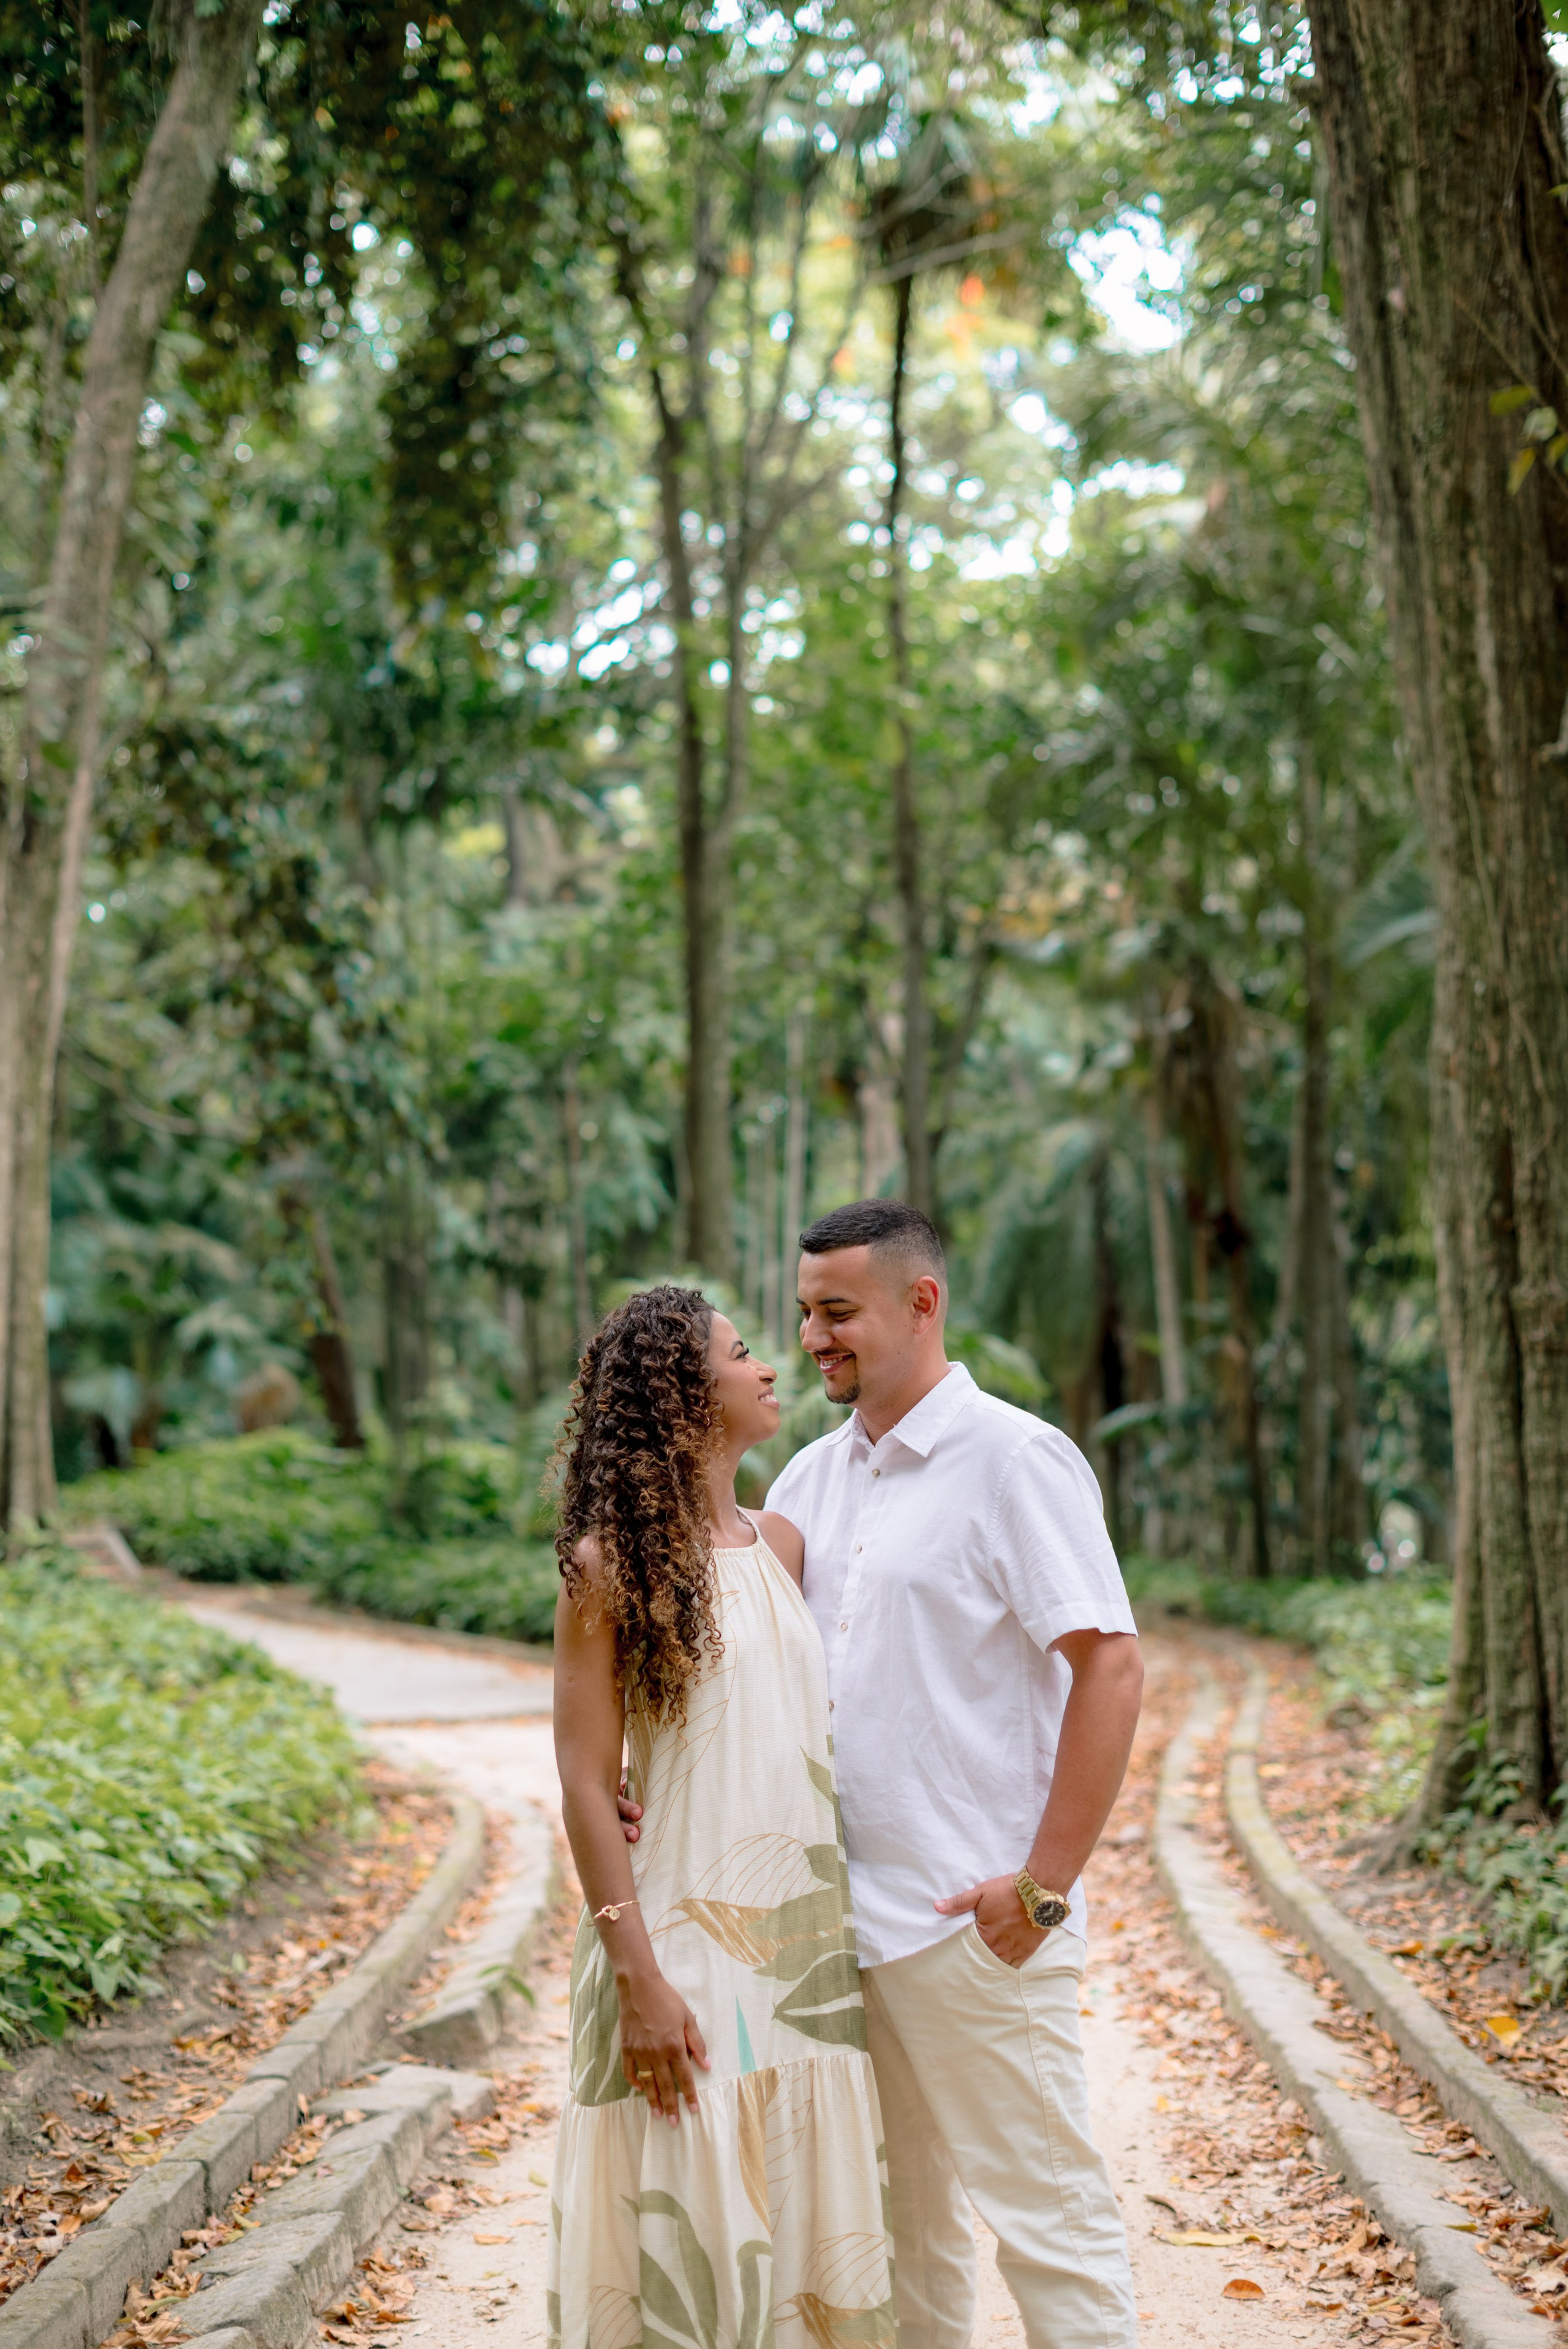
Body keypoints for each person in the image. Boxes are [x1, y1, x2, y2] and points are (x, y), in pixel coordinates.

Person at [766, 1197, 1144, 2349]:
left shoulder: (1017, 1458)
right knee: (895, 2237)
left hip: (978, 1924)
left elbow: (1112, 1665)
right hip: (843, 1930)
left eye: (839, 1311)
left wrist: (1043, 1885)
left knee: (1049, 2224)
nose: (815, 1338)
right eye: (803, 1314)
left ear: (920, 1302)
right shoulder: (806, 1483)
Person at [548, 1284, 895, 2349]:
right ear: (687, 1397)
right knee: (693, 2232)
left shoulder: (784, 1543)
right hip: (680, 1950)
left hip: (798, 1952)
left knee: (801, 2233)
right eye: (743, 1353)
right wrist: (637, 1979)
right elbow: (580, 1779)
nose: (770, 1365)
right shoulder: (607, 1566)